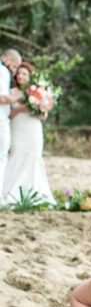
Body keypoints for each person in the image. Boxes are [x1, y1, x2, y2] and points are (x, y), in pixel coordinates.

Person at [3, 62, 56, 206]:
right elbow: (9, 114)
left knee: (33, 158)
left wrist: (35, 107)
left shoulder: (38, 92)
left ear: (30, 77)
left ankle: (33, 192)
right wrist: (22, 109)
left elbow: (43, 116)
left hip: (33, 130)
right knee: (16, 155)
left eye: (24, 74)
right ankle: (11, 193)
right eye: (19, 73)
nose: (20, 76)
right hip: (17, 128)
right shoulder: (11, 92)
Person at [0, 48, 23, 200]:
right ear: (8, 60)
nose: (14, 72)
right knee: (2, 156)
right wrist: (17, 97)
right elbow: (2, 98)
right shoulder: (2, 70)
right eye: (14, 67)